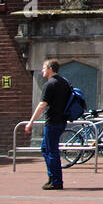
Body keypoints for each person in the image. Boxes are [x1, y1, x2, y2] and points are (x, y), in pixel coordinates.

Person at [22, 59, 72, 190]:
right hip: (62, 121)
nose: (42, 71)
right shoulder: (64, 82)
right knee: (45, 148)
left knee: (51, 151)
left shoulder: (50, 84)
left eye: (44, 68)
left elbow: (42, 105)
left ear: (50, 68)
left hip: (53, 122)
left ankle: (56, 181)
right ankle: (52, 178)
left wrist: (30, 123)